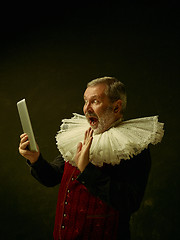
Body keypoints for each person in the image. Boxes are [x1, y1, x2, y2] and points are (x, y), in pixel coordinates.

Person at [19, 77, 164, 240]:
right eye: (85, 101)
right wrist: (36, 159)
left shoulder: (133, 148)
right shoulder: (79, 136)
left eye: (94, 101)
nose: (86, 108)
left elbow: (129, 202)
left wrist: (87, 169)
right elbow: (52, 178)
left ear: (116, 107)